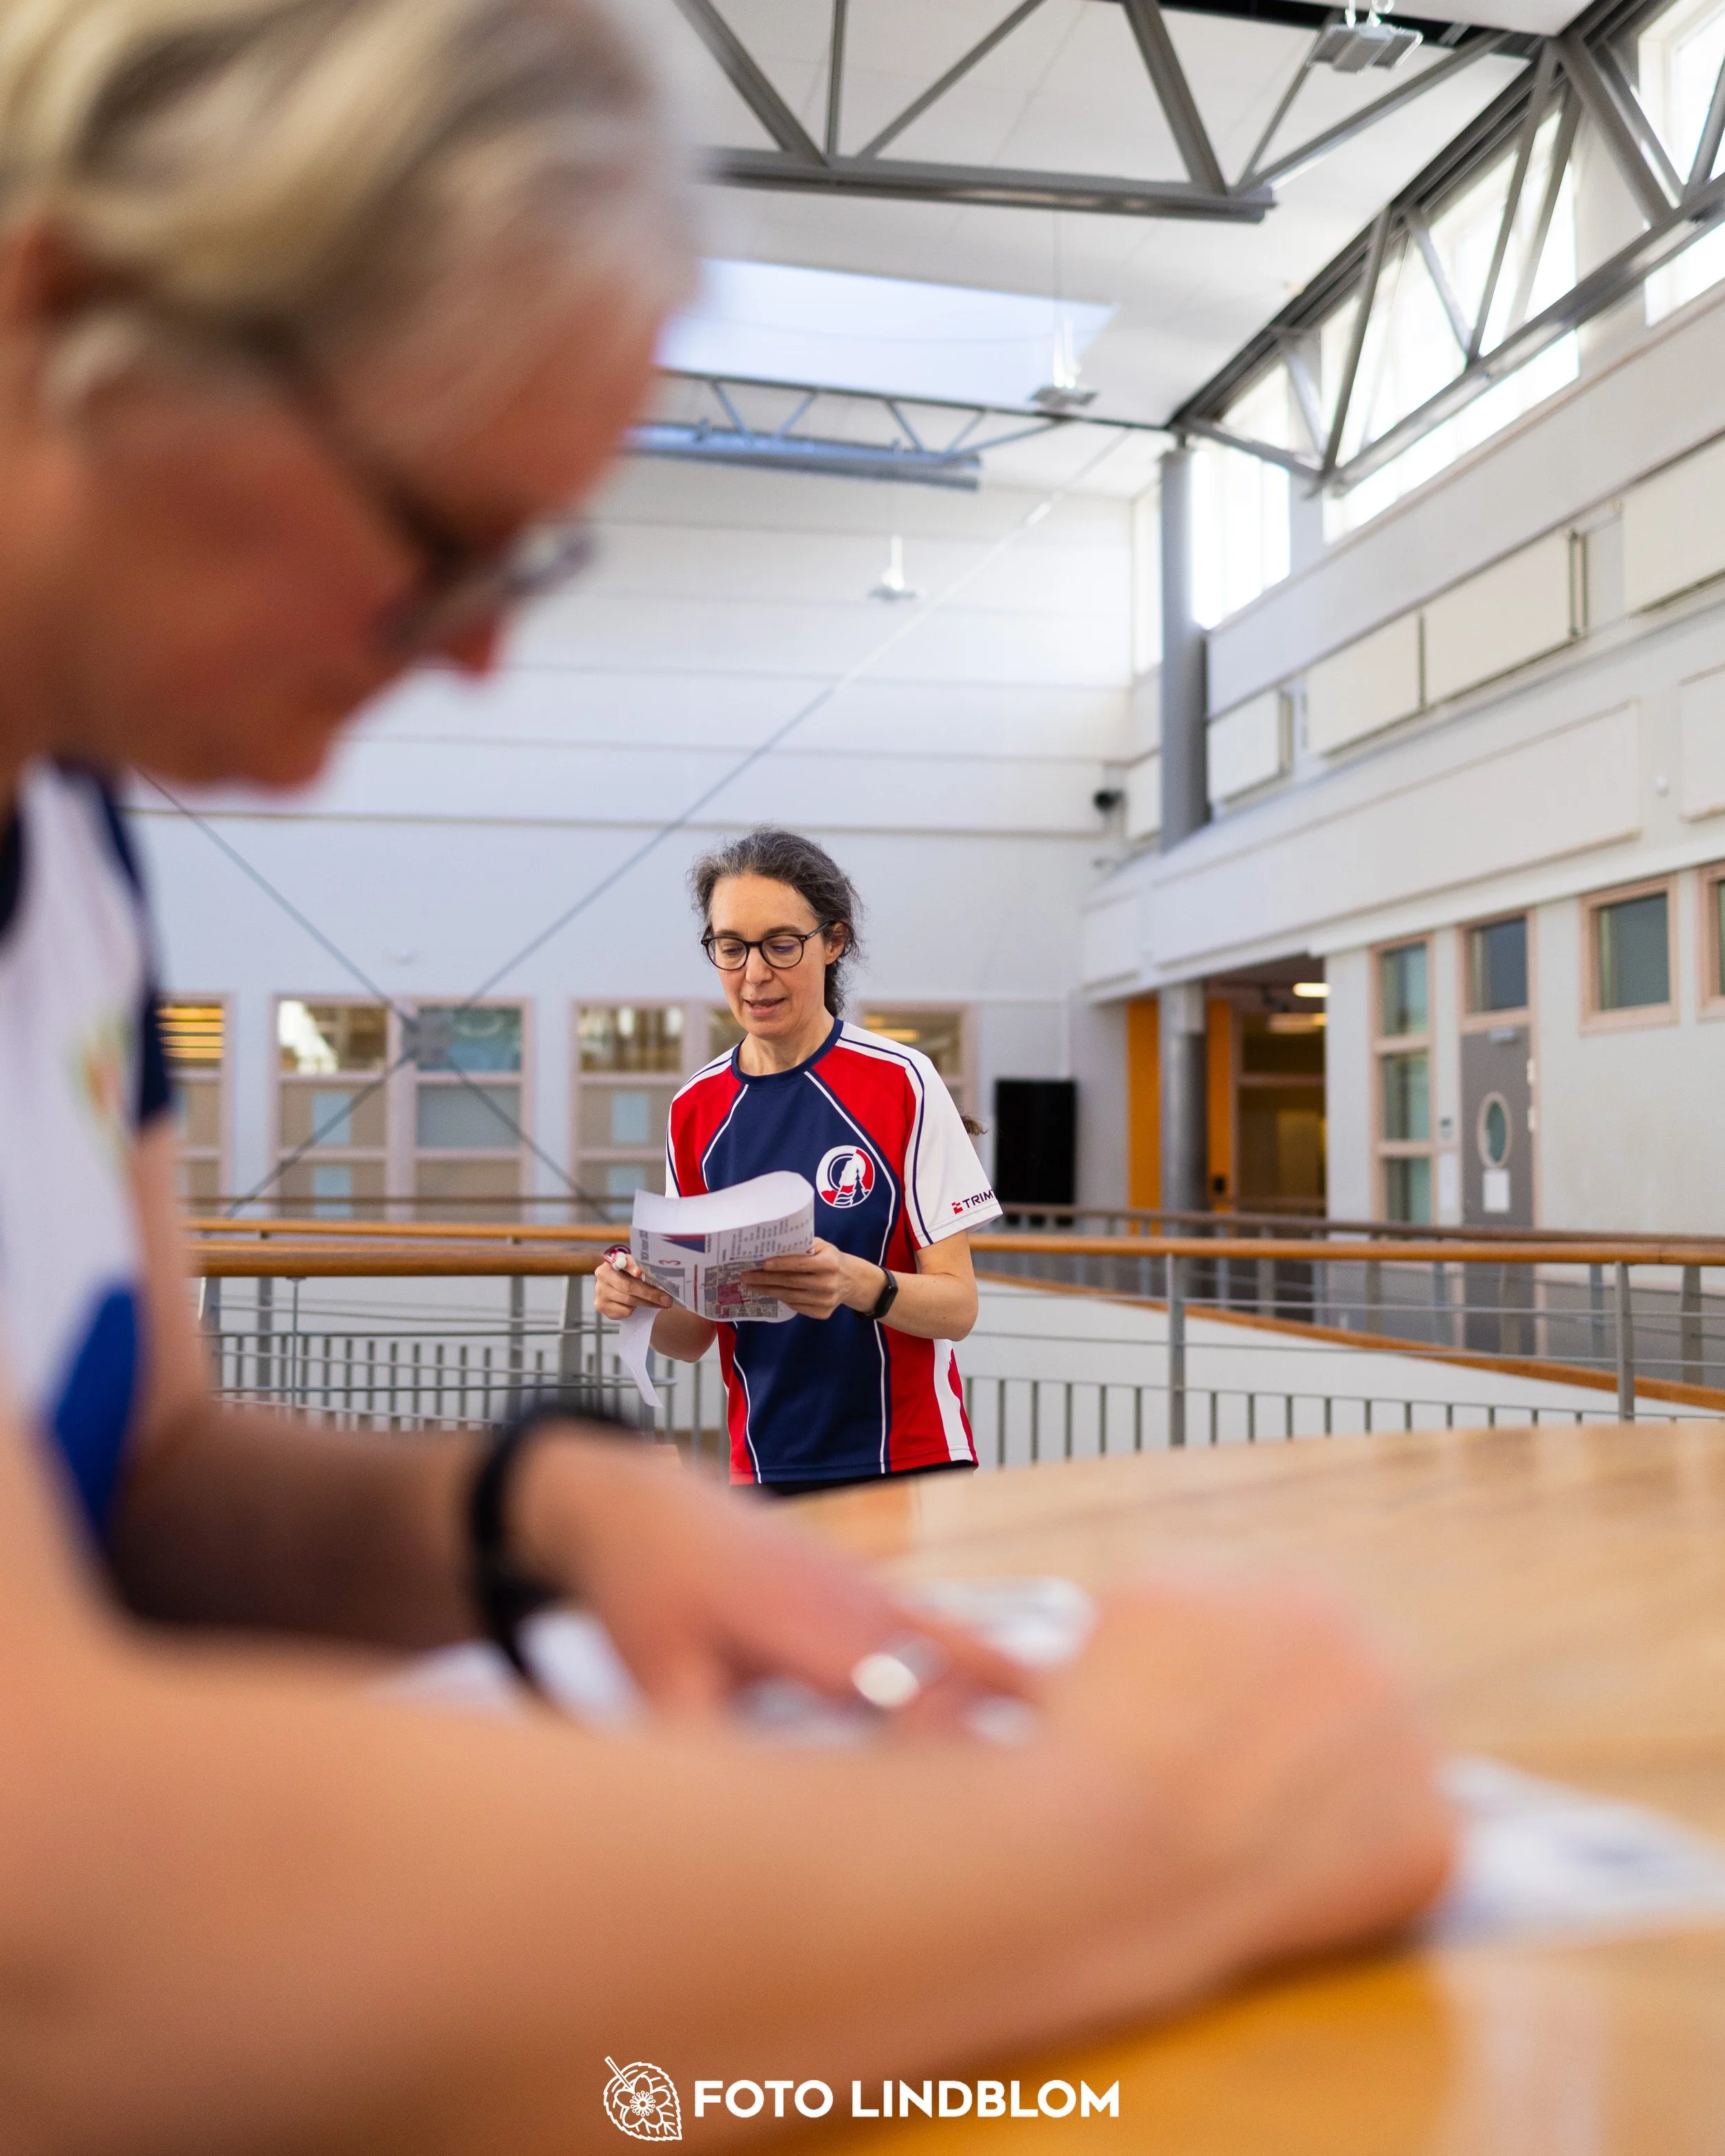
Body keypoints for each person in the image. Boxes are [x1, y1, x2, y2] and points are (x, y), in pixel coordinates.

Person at [0, 1, 1454, 2144]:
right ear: (65, 324)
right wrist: (1152, 1828)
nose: (482, 649)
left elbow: (147, 1466)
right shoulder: (682, 1099)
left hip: (873, 1472)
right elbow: (64, 1932)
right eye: (436, 524)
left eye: (533, 560)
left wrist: (541, 1501)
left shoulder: (80, 838)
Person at [595, 828, 1001, 1494]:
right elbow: (692, 1334)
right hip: (761, 1468)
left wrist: (857, 1283)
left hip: (907, 1458)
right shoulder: (695, 1108)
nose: (755, 973)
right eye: (730, 947)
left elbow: (959, 1307)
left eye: (782, 944)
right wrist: (637, 1300)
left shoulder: (902, 1080)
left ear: (833, 942)